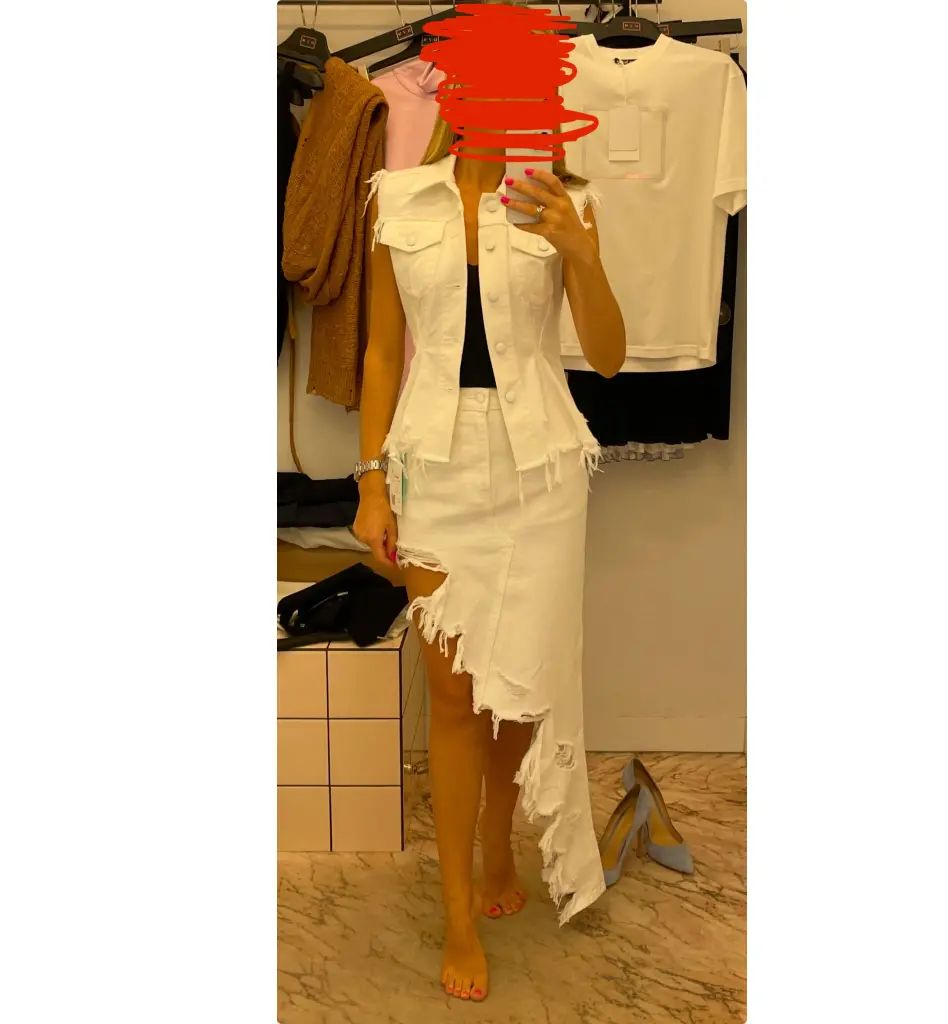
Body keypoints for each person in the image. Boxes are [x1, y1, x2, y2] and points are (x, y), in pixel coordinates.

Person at [352, 109, 626, 1003]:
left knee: (515, 691)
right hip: (433, 469)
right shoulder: (397, 199)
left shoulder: (566, 200)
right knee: (453, 695)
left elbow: (610, 359)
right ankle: (458, 912)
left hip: (541, 473)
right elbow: (382, 351)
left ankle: (500, 846)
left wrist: (579, 252)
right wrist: (370, 483)